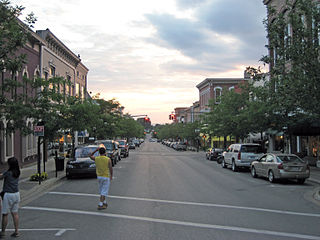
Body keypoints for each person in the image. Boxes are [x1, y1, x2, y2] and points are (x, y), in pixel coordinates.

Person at [0, 157, 21, 238]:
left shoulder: (8, 173)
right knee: (15, 213)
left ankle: (3, 232)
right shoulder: (18, 172)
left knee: (5, 214)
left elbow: (1, 177)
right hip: (16, 194)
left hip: (8, 195)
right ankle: (16, 231)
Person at [90, 144, 113, 210]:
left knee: (102, 190)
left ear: (99, 152)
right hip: (106, 176)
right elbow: (110, 168)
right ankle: (100, 204)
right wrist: (111, 175)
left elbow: (90, 156)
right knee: (104, 191)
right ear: (105, 152)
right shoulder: (108, 159)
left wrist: (95, 150)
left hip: (99, 176)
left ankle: (104, 202)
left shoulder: (96, 158)